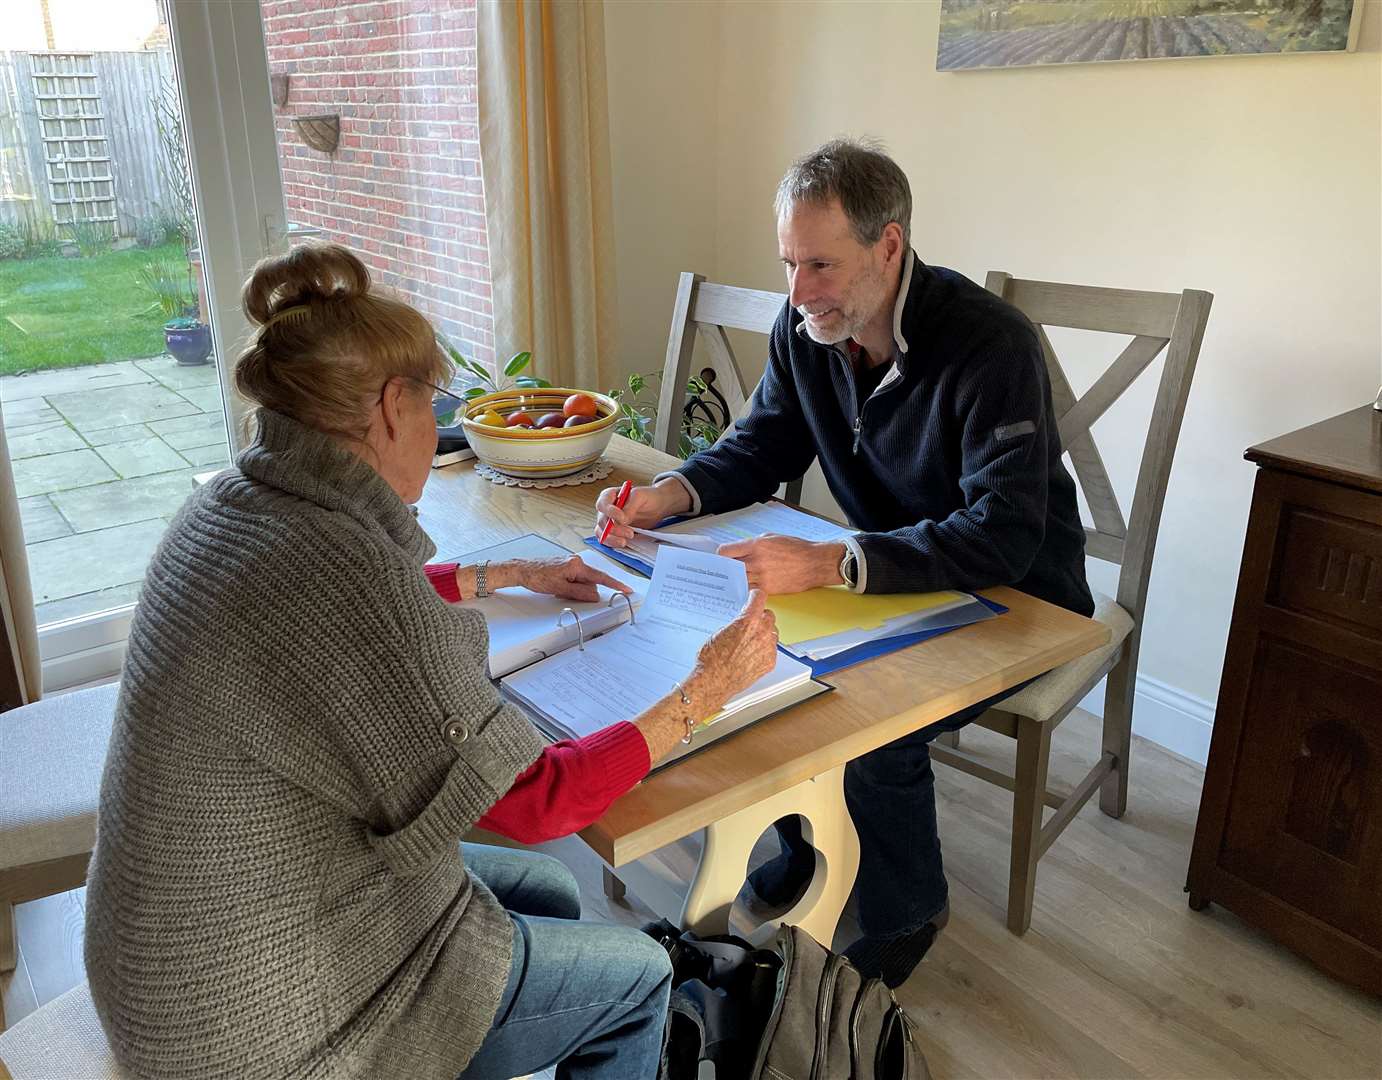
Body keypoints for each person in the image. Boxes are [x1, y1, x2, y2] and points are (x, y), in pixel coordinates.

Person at [83, 243, 779, 1080]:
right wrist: (701, 693)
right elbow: (533, 801)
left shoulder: (240, 502)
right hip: (252, 1026)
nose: (434, 423)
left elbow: (344, 609)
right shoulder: (344, 573)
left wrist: (509, 574)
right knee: (641, 976)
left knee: (551, 895)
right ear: (388, 408)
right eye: (433, 403)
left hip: (173, 953)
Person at [597, 137, 1093, 989]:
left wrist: (834, 564)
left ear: (889, 245)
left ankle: (908, 908)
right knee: (761, 665)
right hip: (888, 580)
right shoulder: (811, 329)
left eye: (820, 264)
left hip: (1018, 596)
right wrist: (670, 496)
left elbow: (1004, 532)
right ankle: (808, 841)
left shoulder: (990, 344)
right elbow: (762, 443)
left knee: (874, 729)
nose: (797, 293)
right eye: (789, 262)